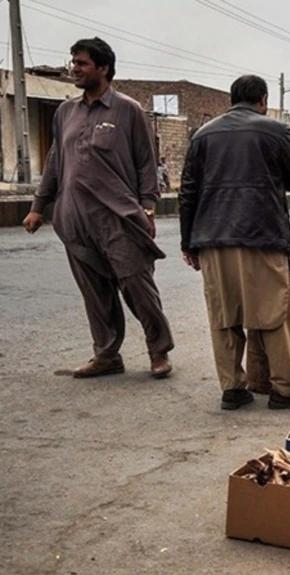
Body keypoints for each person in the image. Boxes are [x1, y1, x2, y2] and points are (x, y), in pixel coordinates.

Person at [22, 37, 174, 379]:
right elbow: (55, 162)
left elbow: (145, 164)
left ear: (103, 68)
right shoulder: (65, 112)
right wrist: (38, 206)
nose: (74, 68)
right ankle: (106, 355)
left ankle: (158, 350)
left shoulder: (128, 109)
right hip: (74, 217)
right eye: (73, 62)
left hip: (119, 217)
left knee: (137, 284)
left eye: (82, 63)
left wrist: (147, 209)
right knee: (94, 290)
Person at [179, 75, 290, 410]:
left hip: (211, 237)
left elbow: (188, 192)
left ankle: (232, 388)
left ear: (232, 99)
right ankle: (285, 389)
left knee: (224, 317)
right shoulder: (275, 131)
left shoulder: (203, 135)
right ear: (263, 99)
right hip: (262, 236)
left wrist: (189, 243)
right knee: (273, 314)